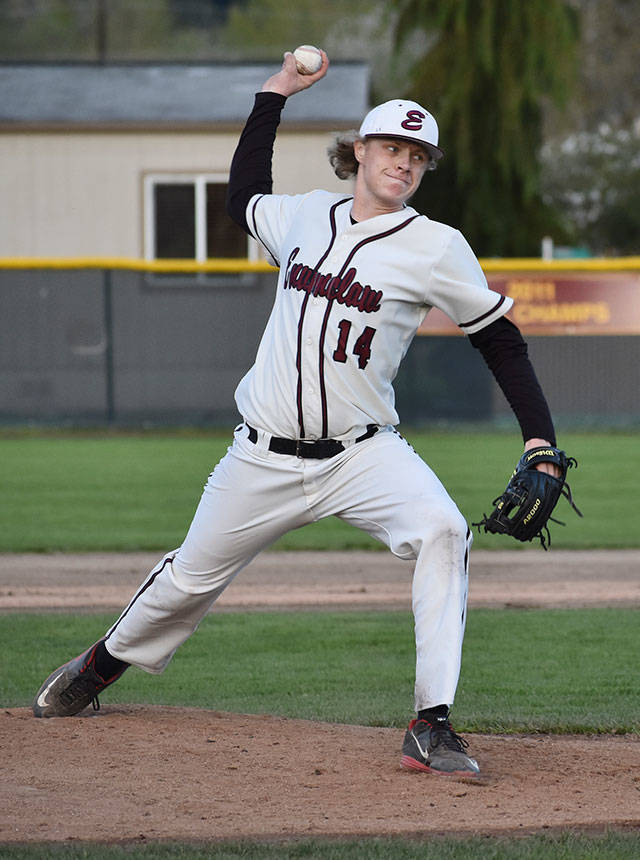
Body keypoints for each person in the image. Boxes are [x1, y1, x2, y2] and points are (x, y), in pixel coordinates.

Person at [32, 51, 560, 777]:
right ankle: (99, 666)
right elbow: (242, 194)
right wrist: (274, 93)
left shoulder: (437, 247)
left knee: (443, 531)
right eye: (392, 147)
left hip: (361, 454)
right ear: (361, 151)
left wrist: (541, 440)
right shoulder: (305, 215)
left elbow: (499, 340)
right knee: (188, 580)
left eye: (417, 155)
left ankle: (430, 723)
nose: (403, 163)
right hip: (260, 456)